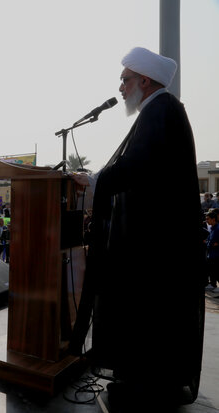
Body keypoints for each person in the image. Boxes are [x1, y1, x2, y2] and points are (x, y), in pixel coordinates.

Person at [74, 47, 205, 407]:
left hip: (157, 244)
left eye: (125, 80)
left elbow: (136, 167)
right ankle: (148, 380)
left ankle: (147, 386)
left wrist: (92, 181)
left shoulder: (161, 111)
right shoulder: (161, 111)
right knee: (152, 314)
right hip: (158, 239)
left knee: (150, 314)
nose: (120, 87)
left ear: (144, 81)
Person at [205, 209, 219, 293]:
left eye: (208, 219)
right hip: (212, 254)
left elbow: (212, 243)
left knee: (216, 271)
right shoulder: (213, 228)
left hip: (216, 254)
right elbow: (209, 241)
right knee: (212, 271)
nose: (206, 221)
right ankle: (212, 284)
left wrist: (208, 243)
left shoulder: (217, 229)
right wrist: (209, 243)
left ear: (213, 219)